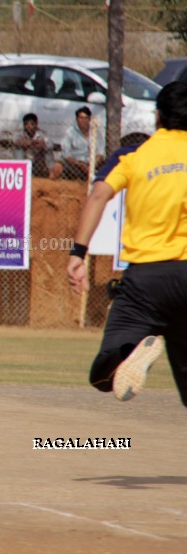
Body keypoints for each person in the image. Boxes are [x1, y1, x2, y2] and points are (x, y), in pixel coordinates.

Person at [66, 80, 187, 406]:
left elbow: (99, 196)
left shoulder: (134, 155)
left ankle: (128, 353)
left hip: (146, 282)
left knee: (106, 373)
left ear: (158, 117)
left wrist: (78, 254)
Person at [50, 106, 104, 180]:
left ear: (89, 119)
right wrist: (80, 165)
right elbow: (66, 154)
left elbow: (100, 153)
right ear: (77, 119)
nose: (83, 120)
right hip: (75, 164)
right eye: (81, 118)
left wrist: (92, 165)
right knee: (57, 166)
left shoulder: (95, 133)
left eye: (86, 118)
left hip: (92, 164)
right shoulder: (70, 132)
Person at [12, 113, 53, 177]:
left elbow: (50, 144)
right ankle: (18, 171)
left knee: (48, 149)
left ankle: (51, 171)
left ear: (36, 125)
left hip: (37, 160)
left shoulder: (42, 134)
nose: (29, 126)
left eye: (32, 124)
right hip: (25, 159)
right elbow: (15, 141)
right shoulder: (19, 133)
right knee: (18, 149)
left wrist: (43, 144)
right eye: (26, 124)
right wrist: (30, 143)